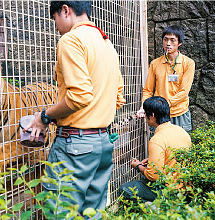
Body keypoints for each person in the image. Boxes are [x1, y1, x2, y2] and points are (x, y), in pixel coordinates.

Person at [23, 1, 125, 218]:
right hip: (103, 145)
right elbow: (118, 99)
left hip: (75, 147)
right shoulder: (107, 44)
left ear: (66, 10)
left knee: (61, 212)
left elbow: (79, 96)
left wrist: (44, 117)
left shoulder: (70, 40)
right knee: (92, 214)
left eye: (55, 18)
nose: (56, 26)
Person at [120, 96, 191, 202]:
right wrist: (151, 159)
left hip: (169, 191)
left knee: (125, 189)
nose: (144, 117)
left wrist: (138, 166)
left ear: (152, 116)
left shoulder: (157, 139)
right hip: (186, 189)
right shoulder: (182, 131)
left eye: (145, 114)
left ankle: (156, 207)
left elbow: (153, 176)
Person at [137, 25, 195, 134]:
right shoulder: (155, 64)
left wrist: (162, 104)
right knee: (159, 147)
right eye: (165, 39)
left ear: (180, 43)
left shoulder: (188, 63)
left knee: (181, 148)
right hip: (159, 116)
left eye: (172, 40)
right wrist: (144, 107)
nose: (168, 43)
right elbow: (148, 90)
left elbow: (183, 92)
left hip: (180, 113)